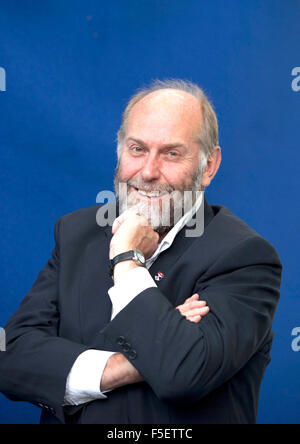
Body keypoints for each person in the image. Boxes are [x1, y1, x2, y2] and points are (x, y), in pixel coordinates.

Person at [0, 80, 282, 424]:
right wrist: (128, 364)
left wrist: (126, 261)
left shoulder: (244, 257)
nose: (148, 172)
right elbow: (11, 357)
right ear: (120, 150)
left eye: (171, 153)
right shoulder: (76, 234)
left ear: (208, 166)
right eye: (137, 149)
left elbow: (183, 374)